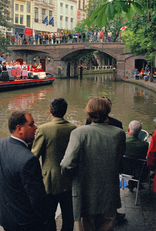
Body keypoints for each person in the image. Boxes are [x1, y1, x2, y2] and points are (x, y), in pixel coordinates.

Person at [61, 97, 126, 231]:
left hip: (85, 195)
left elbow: (67, 165)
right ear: (107, 112)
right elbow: (119, 159)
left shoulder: (78, 133)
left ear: (88, 112)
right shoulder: (119, 134)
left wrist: (72, 177)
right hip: (109, 195)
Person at [0, 111, 48, 231]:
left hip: (6, 219)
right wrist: (45, 217)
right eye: (31, 125)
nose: (35, 127)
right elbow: (37, 196)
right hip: (27, 223)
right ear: (19, 128)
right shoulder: (29, 159)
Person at [32, 98, 76, 231]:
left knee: (48, 216)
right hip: (69, 180)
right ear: (65, 111)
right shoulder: (73, 129)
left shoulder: (43, 129)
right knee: (69, 216)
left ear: (50, 111)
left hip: (49, 182)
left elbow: (34, 156)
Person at [124, 120, 149, 191]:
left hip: (122, 169)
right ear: (139, 133)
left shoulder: (122, 140)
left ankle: (132, 183)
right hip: (137, 171)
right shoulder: (144, 145)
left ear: (128, 129)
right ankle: (134, 182)